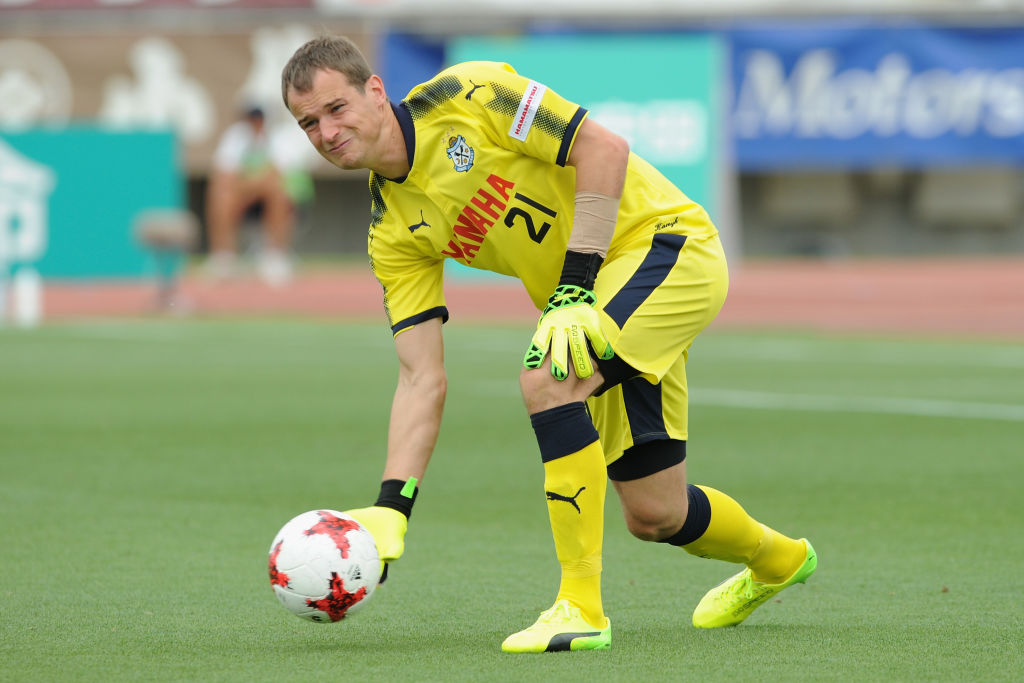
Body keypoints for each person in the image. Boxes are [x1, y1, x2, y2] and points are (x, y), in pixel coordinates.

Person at [281, 36, 817, 653]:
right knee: (655, 514)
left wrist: (574, 288)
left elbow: (603, 148)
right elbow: (419, 375)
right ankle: (780, 560)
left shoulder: (467, 93)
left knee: (549, 379)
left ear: (375, 91)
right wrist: (390, 505)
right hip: (591, 304)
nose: (326, 132)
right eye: (309, 124)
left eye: (336, 108)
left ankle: (580, 609)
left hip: (665, 246)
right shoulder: (390, 231)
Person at [204, 105, 304, 286]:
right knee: (220, 197)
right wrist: (248, 188)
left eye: (258, 120)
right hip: (241, 197)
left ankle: (275, 257)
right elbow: (224, 175)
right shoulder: (235, 136)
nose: (255, 124)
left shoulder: (279, 136)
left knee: (280, 193)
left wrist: (251, 185)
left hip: (267, 197)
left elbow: (279, 174)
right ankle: (223, 257)